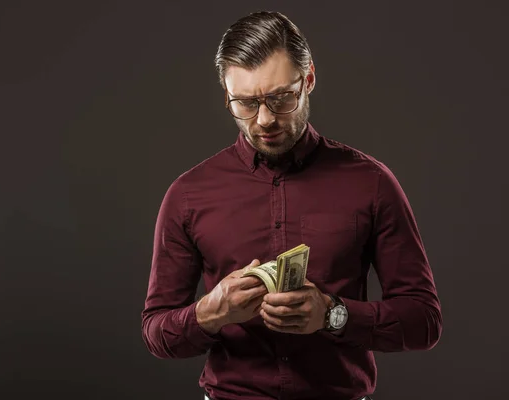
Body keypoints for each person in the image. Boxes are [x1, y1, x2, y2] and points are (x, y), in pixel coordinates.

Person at [141, 10, 442, 400]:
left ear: (309, 80)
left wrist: (333, 314)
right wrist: (209, 314)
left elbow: (424, 322)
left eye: (280, 98)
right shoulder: (187, 195)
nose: (264, 119)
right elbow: (155, 333)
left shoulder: (373, 183)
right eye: (245, 103)